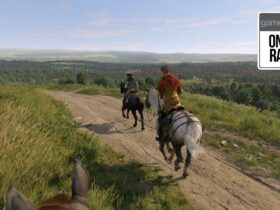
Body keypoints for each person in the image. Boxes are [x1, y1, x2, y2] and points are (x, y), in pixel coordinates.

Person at [156, 65, 184, 141]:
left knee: (160, 118)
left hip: (168, 102)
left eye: (161, 71)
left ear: (162, 71)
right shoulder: (176, 78)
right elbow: (180, 91)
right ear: (169, 70)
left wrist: (163, 96)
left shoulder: (162, 81)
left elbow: (161, 96)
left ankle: (159, 135)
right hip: (177, 100)